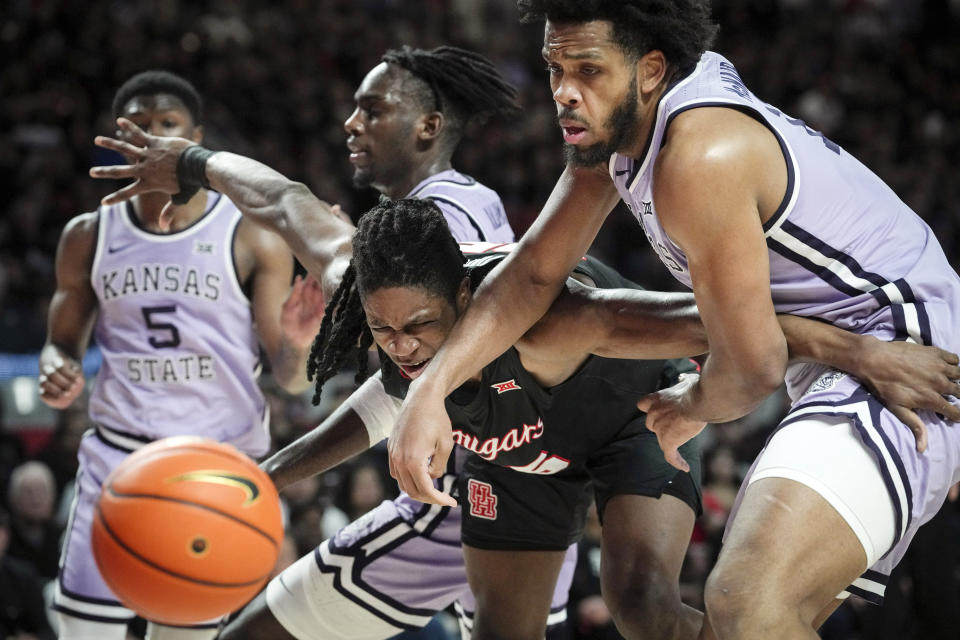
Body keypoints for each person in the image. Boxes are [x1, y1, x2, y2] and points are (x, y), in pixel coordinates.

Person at [384, 2, 960, 639]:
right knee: (738, 625)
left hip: (899, 343)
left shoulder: (698, 155)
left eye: (589, 70)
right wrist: (429, 391)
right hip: (838, 353)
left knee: (744, 600)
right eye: (554, 68)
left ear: (650, 69)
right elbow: (530, 276)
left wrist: (691, 403)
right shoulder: (630, 131)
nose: (565, 93)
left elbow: (752, 366)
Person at [89, 48, 570, 640]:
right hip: (531, 488)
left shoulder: (444, 221)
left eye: (372, 109)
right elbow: (307, 364)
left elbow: (290, 205)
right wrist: (300, 341)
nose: (351, 123)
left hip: (470, 495)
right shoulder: (461, 207)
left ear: (428, 126)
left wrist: (267, 474)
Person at [39, 70, 330, 640]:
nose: (153, 138)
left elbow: (293, 380)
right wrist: (57, 365)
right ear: (118, 140)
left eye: (167, 126)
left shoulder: (250, 234)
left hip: (215, 468)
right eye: (138, 127)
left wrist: (298, 343)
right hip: (118, 459)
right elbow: (60, 343)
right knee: (81, 630)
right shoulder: (88, 234)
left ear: (193, 138)